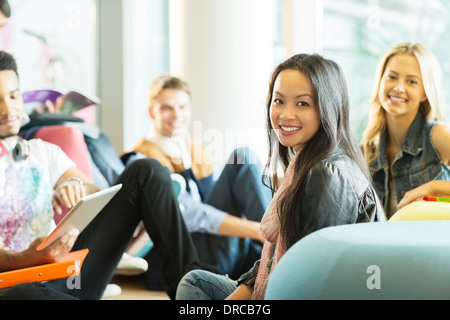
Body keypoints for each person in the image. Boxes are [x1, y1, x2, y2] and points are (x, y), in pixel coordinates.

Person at [175, 53, 385, 300]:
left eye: (302, 103)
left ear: (328, 108)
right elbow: (275, 256)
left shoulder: (327, 174)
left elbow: (310, 278)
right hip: (286, 281)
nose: (285, 114)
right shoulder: (306, 162)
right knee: (196, 282)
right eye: (278, 101)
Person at [0, 50, 199, 300]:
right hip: (14, 286)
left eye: (13, 96)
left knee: (146, 170)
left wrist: (73, 186)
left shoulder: (42, 151)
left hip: (69, 274)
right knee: (25, 293)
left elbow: (96, 193)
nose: (8, 109)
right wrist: (29, 258)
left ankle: (192, 296)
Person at [129, 75, 272, 281]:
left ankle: (275, 246)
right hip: (190, 252)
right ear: (152, 112)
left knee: (243, 157)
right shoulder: (141, 159)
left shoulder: (192, 149)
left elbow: (214, 197)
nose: (176, 114)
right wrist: (258, 230)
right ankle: (276, 245)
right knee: (242, 158)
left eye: (182, 107)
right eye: (167, 108)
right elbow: (191, 215)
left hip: (216, 245)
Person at [361, 42, 450, 218]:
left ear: (425, 93)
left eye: (411, 81)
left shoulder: (438, 135)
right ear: (380, 81)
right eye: (392, 77)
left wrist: (431, 188)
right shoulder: (367, 150)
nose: (398, 87)